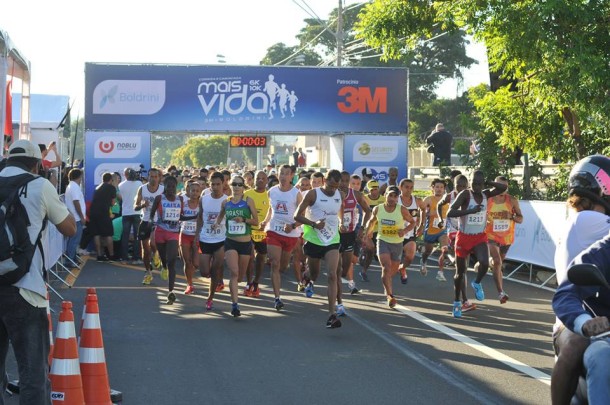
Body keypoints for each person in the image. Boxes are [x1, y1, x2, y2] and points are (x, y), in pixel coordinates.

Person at [0, 139, 76, 405]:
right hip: (25, 288)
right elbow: (69, 228)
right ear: (36, 165)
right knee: (32, 371)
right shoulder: (39, 185)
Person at [551, 155, 610, 405]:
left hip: (586, 308)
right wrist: (584, 323)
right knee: (580, 347)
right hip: (582, 315)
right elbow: (568, 291)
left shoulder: (575, 219)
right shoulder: (588, 221)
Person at [553, 233, 610, 405]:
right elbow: (565, 295)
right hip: (593, 330)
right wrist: (584, 322)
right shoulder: (601, 252)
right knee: (589, 351)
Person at [446, 170, 507, 318]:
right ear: (470, 182)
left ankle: (477, 283)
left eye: (480, 184)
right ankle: (457, 303)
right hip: (464, 237)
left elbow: (502, 188)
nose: (477, 186)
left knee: (485, 264)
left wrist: (489, 183)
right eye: (474, 183)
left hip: (479, 237)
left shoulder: (486, 194)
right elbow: (450, 212)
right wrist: (469, 211)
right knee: (460, 273)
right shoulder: (466, 194)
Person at [294, 169, 344, 328]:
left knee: (332, 275)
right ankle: (307, 275)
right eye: (330, 185)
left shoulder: (339, 194)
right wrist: (313, 224)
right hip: (314, 240)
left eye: (335, 186)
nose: (332, 189)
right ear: (324, 181)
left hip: (332, 240)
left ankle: (331, 315)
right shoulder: (312, 194)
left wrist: (342, 223)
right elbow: (297, 215)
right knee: (314, 274)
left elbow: (338, 211)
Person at [213, 175, 258, 317]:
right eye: (234, 184)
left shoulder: (248, 201)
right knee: (234, 272)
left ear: (243, 187)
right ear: (230, 185)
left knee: (240, 277)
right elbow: (220, 216)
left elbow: (256, 221)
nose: (237, 187)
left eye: (239, 184)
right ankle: (235, 305)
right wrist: (216, 224)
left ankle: (236, 289)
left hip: (245, 244)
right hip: (231, 241)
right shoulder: (226, 202)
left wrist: (243, 219)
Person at [364, 186, 415, 309]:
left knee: (392, 270)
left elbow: (413, 222)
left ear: (398, 198)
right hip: (382, 241)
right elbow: (371, 221)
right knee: (386, 268)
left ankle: (387, 285)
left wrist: (405, 230)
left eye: (395, 196)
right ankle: (390, 295)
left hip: (397, 243)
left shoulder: (402, 210)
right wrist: (368, 234)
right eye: (390, 195)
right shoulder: (378, 209)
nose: (392, 199)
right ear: (385, 195)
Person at [260, 165, 302, 311]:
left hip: (291, 233)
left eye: (286, 174)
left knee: (283, 266)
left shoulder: (296, 194)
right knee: (275, 263)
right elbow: (271, 209)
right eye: (281, 174)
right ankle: (277, 298)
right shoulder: (272, 191)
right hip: (274, 231)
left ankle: (286, 266)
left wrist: (293, 225)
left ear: (291, 176)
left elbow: (303, 216)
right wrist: (265, 221)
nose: (283, 176)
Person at [437, 174, 477, 313]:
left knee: (462, 269)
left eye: (463, 186)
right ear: (453, 186)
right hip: (453, 230)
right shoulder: (450, 196)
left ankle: (450, 255)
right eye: (457, 186)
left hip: (466, 231)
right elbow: (439, 204)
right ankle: (464, 300)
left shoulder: (471, 195)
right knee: (461, 270)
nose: (460, 189)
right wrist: (441, 219)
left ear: (467, 187)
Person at [484, 176, 523, 304]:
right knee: (497, 262)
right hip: (490, 235)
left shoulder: (511, 200)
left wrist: (511, 216)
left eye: (505, 186)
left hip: (506, 238)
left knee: (497, 263)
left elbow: (520, 219)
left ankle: (483, 264)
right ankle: (501, 292)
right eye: (500, 186)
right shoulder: (487, 199)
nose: (502, 189)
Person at [337, 171, 371, 302]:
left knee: (349, 262)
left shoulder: (355, 194)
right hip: (333, 234)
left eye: (346, 181)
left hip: (350, 233)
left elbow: (368, 211)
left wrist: (362, 228)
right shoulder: (331, 195)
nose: (343, 183)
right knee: (336, 263)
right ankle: (347, 287)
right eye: (341, 180)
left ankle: (348, 280)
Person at [195, 172, 227, 311]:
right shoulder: (204, 199)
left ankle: (210, 297)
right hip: (205, 238)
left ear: (223, 184)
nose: (215, 187)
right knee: (203, 271)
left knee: (215, 270)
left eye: (218, 184)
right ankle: (215, 280)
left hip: (221, 239)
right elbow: (200, 217)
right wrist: (197, 233)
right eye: (213, 184)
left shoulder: (227, 200)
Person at [150, 176, 182, 304]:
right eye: (168, 187)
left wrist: (194, 216)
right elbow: (152, 213)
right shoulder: (159, 198)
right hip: (161, 231)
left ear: (176, 187)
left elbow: (182, 216)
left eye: (173, 187)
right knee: (164, 259)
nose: (170, 189)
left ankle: (171, 291)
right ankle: (163, 266)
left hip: (173, 233)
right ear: (165, 187)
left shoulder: (180, 199)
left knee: (172, 260)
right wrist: (151, 223)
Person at [135, 168, 164, 285]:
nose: (153, 179)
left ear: (159, 178)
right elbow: (135, 206)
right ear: (148, 177)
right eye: (151, 176)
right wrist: (142, 205)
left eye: (155, 177)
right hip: (145, 220)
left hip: (158, 220)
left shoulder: (163, 189)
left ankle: (156, 255)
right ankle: (148, 273)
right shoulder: (142, 188)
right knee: (145, 251)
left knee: (153, 243)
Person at [243, 170, 269, 298]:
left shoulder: (269, 195)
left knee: (261, 258)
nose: (260, 180)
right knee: (250, 257)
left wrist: (266, 223)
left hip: (263, 232)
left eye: (263, 178)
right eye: (258, 178)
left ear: (267, 181)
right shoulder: (247, 194)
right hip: (249, 229)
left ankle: (256, 283)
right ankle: (248, 283)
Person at [420, 178, 450, 281]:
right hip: (431, 231)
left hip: (443, 230)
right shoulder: (429, 199)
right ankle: (423, 261)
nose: (439, 189)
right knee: (427, 251)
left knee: (445, 249)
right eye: (437, 187)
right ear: (433, 188)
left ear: (444, 189)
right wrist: (429, 214)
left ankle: (440, 272)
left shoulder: (447, 199)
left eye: (441, 187)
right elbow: (421, 211)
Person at [397, 178, 425, 284]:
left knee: (410, 256)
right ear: (401, 188)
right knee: (392, 262)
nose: (409, 190)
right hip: (396, 234)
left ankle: (403, 268)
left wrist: (421, 225)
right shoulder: (396, 200)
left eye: (411, 187)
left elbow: (423, 209)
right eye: (406, 187)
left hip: (410, 234)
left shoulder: (416, 200)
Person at [358, 180, 385, 282]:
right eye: (372, 189)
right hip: (367, 228)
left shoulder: (383, 199)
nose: (374, 191)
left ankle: (364, 270)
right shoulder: (364, 198)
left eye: (376, 189)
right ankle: (364, 268)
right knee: (371, 249)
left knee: (374, 253)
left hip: (379, 228)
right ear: (368, 190)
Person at [179, 180, 201, 295]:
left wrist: (197, 236)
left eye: (197, 191)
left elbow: (203, 220)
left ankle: (190, 274)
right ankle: (189, 284)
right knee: (187, 261)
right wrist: (192, 217)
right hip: (185, 234)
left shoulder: (202, 204)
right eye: (193, 190)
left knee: (196, 263)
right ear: (189, 190)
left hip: (197, 235)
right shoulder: (184, 202)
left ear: (200, 192)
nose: (195, 193)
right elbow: (179, 217)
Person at [89, 172, 117, 262]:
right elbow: (113, 202)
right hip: (103, 213)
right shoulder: (112, 188)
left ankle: (99, 256)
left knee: (97, 234)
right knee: (108, 234)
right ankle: (111, 256)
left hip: (93, 212)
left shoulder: (97, 188)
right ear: (111, 180)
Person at [118, 168, 143, 264]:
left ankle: (124, 258)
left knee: (125, 236)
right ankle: (136, 258)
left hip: (126, 213)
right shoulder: (139, 184)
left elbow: (119, 198)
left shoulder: (121, 185)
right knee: (137, 236)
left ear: (125, 175)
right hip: (137, 212)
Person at [64, 168, 86, 266]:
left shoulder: (71, 186)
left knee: (73, 240)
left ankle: (71, 258)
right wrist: (81, 217)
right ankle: (70, 260)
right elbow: (76, 202)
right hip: (76, 218)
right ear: (79, 177)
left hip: (73, 217)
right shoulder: (75, 187)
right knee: (74, 240)